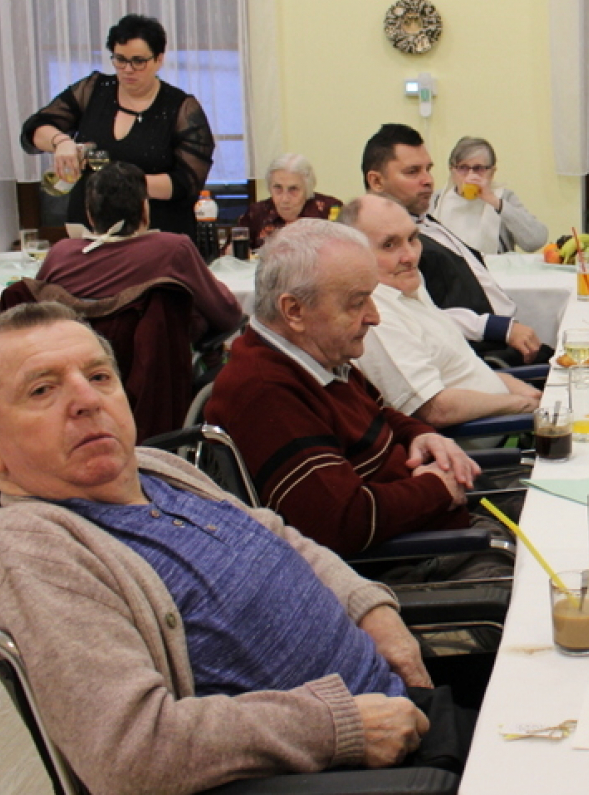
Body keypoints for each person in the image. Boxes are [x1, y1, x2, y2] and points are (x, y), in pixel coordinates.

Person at [0, 303, 448, 795]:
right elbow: (130, 753)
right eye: (42, 390)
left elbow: (280, 538)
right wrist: (340, 727)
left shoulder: (157, 468)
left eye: (99, 377)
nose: (86, 400)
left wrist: (371, 610)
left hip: (404, 715)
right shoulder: (33, 550)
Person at [203, 218, 485, 557]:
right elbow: (339, 523)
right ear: (294, 310)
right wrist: (437, 488)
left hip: (437, 531)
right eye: (357, 302)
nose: (374, 316)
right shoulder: (266, 392)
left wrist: (421, 436)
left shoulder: (315, 356)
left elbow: (377, 413)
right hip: (410, 562)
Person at [342, 195, 541, 425]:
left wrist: (515, 388)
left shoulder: (405, 283)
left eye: (412, 238)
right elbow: (433, 409)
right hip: (487, 437)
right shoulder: (376, 316)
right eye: (389, 245)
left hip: (509, 417)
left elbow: (458, 371)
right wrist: (522, 405)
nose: (411, 256)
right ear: (353, 255)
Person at [362, 124, 545, 364]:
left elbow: (536, 239)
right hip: (477, 355)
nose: (428, 180)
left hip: (503, 338)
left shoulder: (426, 217)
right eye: (412, 172)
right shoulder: (384, 247)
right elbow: (412, 316)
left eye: (428, 169)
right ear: (376, 181)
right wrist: (498, 327)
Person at [20, 14, 215, 238]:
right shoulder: (93, 90)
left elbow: (187, 183)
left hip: (156, 233)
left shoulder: (181, 107)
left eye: (138, 61)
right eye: (120, 59)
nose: (128, 69)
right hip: (90, 229)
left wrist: (120, 186)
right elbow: (35, 128)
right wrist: (61, 142)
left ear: (158, 59)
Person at [36, 162, 243, 340]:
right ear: (145, 209)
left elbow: (32, 316)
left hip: (80, 364)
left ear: (89, 215)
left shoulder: (61, 253)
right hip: (154, 369)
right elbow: (227, 314)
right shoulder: (172, 249)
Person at [429, 136, 549, 255]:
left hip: (493, 266)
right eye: (463, 168)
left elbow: (536, 241)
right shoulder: (436, 200)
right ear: (452, 171)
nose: (471, 175)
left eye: (479, 168)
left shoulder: (503, 197)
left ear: (492, 172)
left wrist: (495, 202)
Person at [237, 153, 344, 249]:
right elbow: (231, 253)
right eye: (278, 188)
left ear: (307, 189)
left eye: (293, 189)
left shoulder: (330, 210)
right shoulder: (257, 212)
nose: (285, 199)